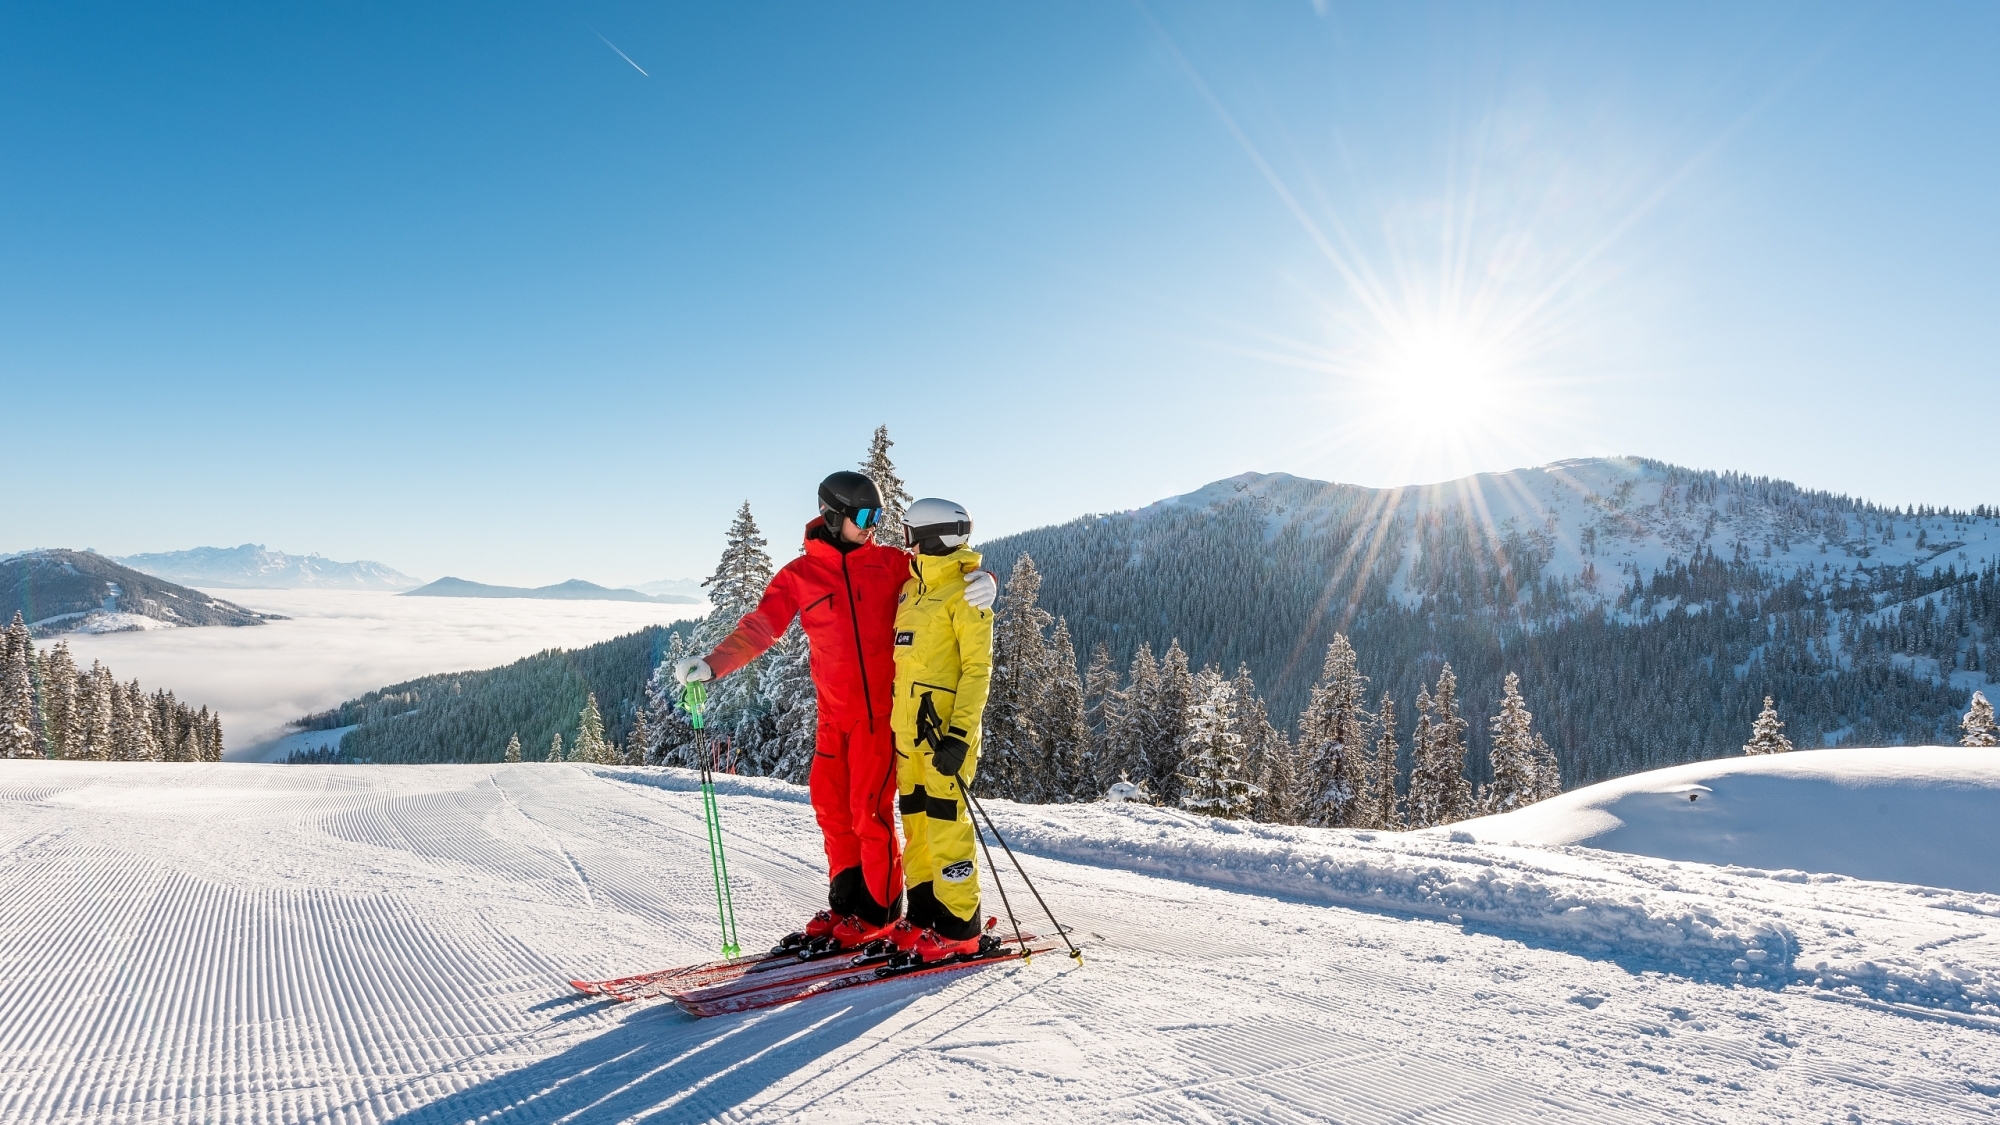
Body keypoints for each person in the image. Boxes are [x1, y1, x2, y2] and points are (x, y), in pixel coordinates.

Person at [673, 472, 996, 951]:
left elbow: (943, 572)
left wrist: (986, 581)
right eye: (865, 516)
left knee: (870, 812)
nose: (873, 526)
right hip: (832, 717)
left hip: (880, 719)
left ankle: (878, 908)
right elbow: (762, 626)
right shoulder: (800, 576)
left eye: (879, 517)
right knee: (831, 809)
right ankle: (847, 900)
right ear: (833, 514)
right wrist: (713, 665)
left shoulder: (889, 564)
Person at [886, 498, 996, 962]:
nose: (904, 539)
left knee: (947, 823)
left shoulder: (966, 593)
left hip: (943, 734)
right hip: (907, 734)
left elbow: (978, 670)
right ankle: (926, 912)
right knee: (915, 821)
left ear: (929, 535)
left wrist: (959, 735)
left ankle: (959, 926)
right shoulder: (913, 589)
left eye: (909, 531)